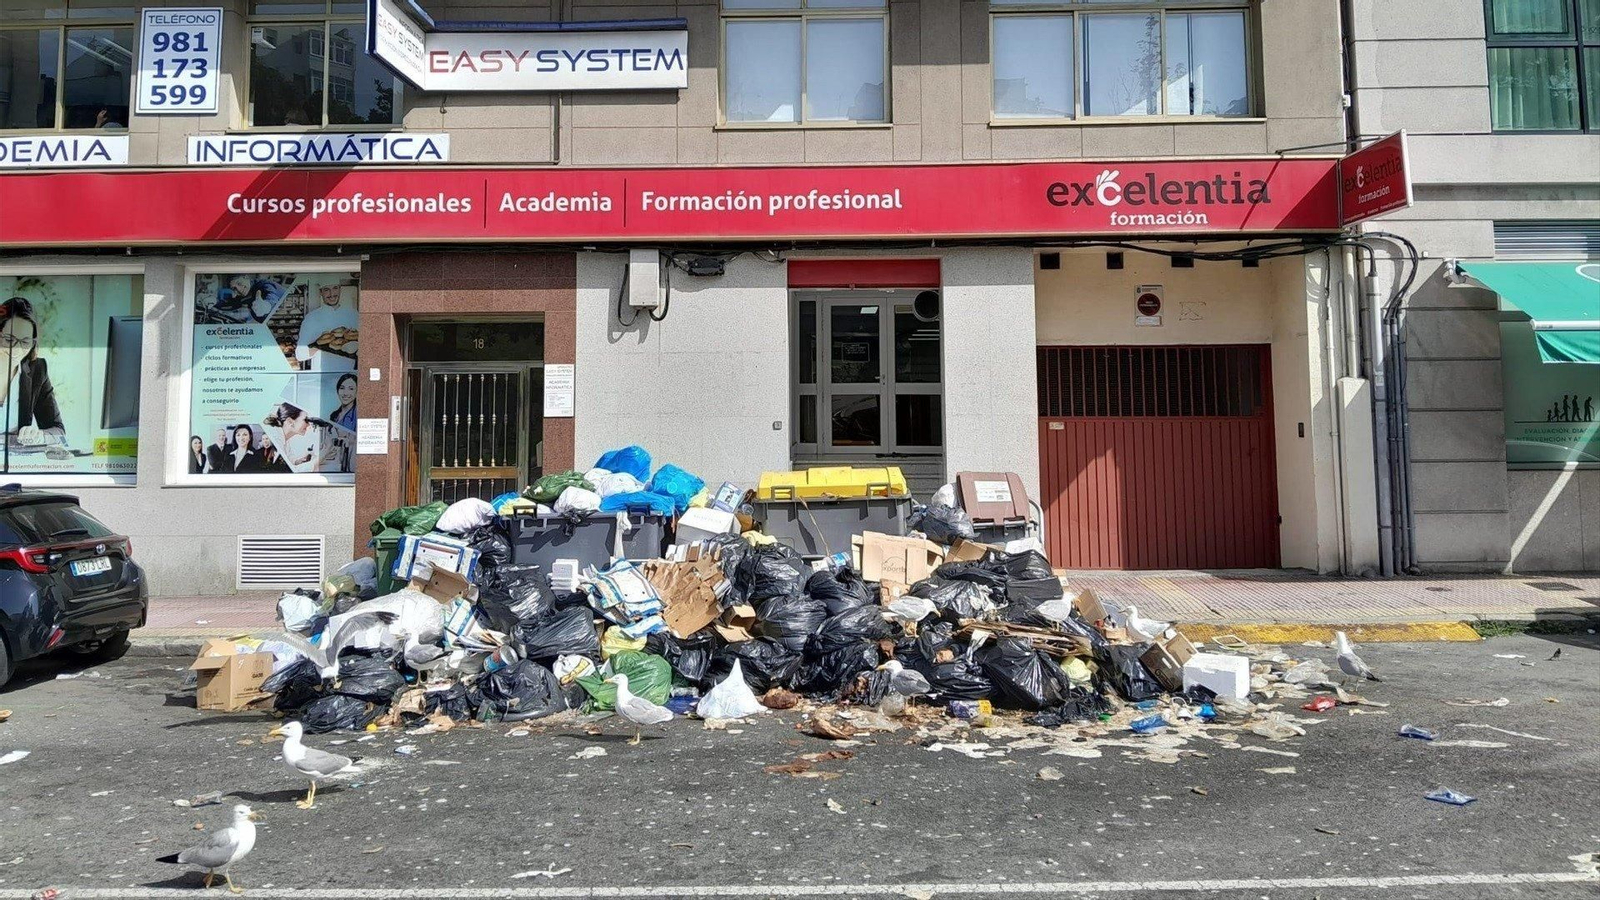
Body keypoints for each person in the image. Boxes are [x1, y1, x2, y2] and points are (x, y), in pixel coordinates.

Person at [0, 297, 66, 450]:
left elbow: (58, 431)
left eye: (25, 342)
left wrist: (39, 435)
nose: (16, 350)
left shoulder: (38, 370)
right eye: (9, 339)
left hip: (13, 467)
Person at [295, 281, 357, 372]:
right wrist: (319, 344)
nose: (332, 294)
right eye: (327, 290)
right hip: (322, 376)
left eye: (335, 288)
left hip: (348, 376)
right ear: (321, 292)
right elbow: (299, 355)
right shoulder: (311, 318)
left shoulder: (353, 314)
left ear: (340, 289)